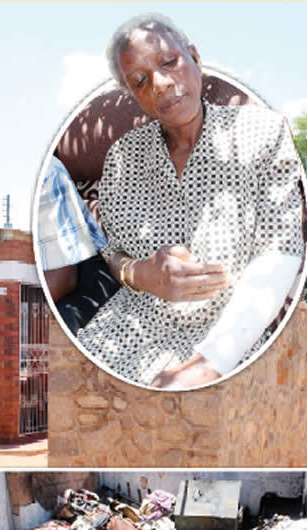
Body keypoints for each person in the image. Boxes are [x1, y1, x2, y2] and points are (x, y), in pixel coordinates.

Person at [76, 13, 305, 389]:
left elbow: (281, 250)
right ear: (133, 95)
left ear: (194, 58)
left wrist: (211, 361)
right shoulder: (122, 156)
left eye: (169, 62)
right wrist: (139, 274)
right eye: (140, 80)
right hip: (129, 330)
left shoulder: (262, 132)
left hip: (229, 332)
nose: (162, 84)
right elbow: (111, 252)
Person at [37, 155, 118, 334]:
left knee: (54, 328)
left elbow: (63, 279)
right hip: (44, 277)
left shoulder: (46, 172)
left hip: (83, 274)